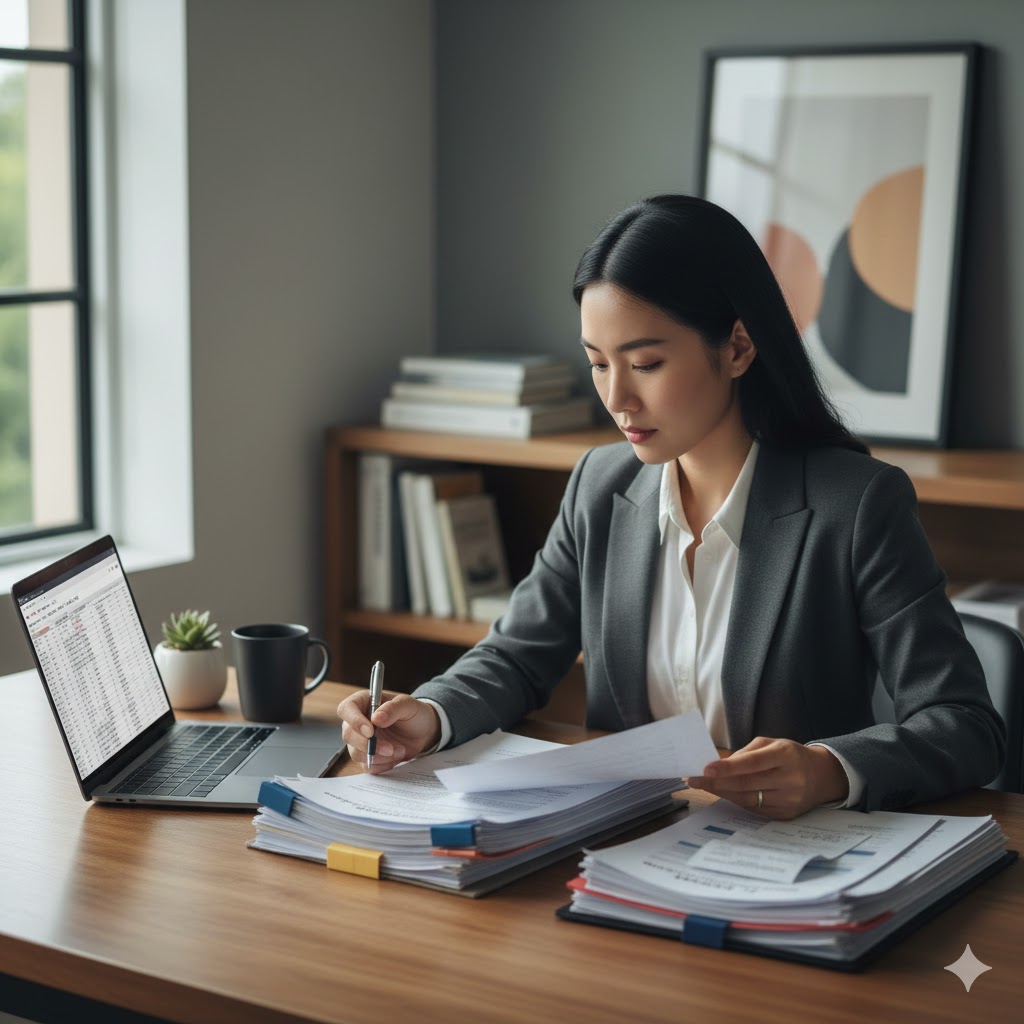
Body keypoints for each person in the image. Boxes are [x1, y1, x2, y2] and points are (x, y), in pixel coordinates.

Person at [337, 193, 1005, 818]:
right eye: (599, 363)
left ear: (739, 348)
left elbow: (965, 725)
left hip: (784, 859)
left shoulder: (855, 506)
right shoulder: (601, 486)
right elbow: (515, 656)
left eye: (646, 363)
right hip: (628, 844)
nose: (618, 397)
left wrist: (829, 768)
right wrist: (430, 713)